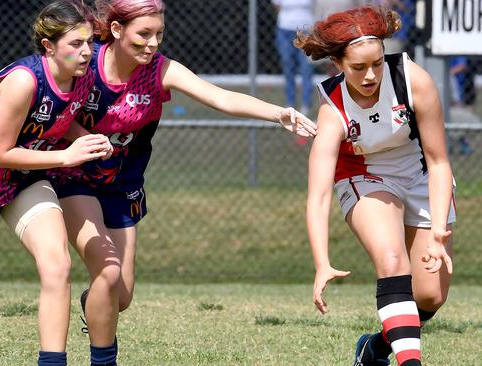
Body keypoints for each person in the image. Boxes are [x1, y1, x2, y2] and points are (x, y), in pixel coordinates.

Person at [46, 1, 317, 365]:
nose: (153, 43)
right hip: (75, 177)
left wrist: (278, 113)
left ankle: (94, 301)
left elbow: (219, 96)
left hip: (122, 183)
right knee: (108, 273)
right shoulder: (85, 62)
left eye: (159, 33)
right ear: (115, 31)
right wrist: (84, 138)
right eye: (143, 34)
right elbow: (51, 108)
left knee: (120, 295)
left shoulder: (159, 70)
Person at [0, 2, 111, 365]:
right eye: (75, 44)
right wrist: (65, 156)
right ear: (48, 47)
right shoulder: (23, 81)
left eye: (89, 42)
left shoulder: (82, 75)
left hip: (26, 176)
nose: (86, 52)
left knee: (57, 265)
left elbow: (55, 122)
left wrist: (87, 140)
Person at [295, 5, 455, 366]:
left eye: (377, 63)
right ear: (337, 63)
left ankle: (375, 348)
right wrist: (322, 262)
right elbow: (318, 196)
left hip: (419, 173)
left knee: (429, 296)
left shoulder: (414, 80)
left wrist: (439, 230)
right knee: (392, 259)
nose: (370, 75)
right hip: (364, 175)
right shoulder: (332, 106)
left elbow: (439, 161)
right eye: (357, 67)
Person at [272, 0, 315, 116]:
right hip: (285, 30)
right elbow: (278, 6)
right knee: (288, 67)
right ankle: (290, 103)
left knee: (306, 68)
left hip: (306, 31)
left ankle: (306, 104)